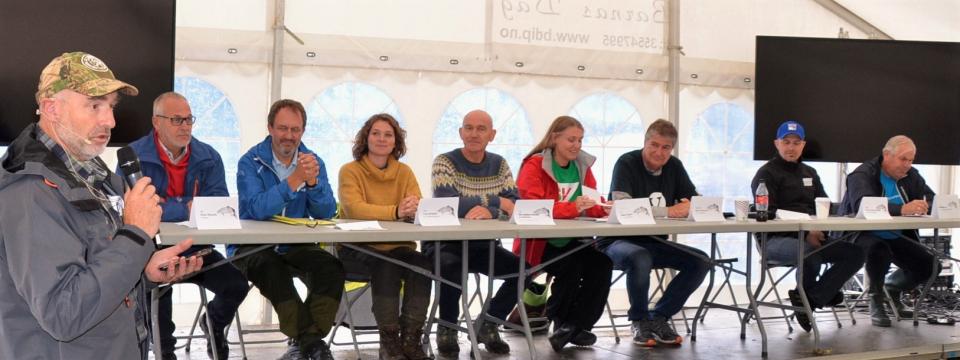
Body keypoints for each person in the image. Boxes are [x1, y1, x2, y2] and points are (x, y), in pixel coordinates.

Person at [0, 51, 201, 360]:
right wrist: (134, 236)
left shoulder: (91, 175)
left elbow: (96, 271)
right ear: (52, 108)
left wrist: (143, 271)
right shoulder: (31, 192)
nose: (110, 120)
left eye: (111, 106)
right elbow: (63, 313)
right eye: (94, 106)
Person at [127, 92, 249, 360]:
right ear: (156, 122)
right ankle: (165, 353)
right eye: (176, 120)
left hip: (197, 249)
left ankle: (214, 324)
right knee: (158, 295)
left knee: (237, 285)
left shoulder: (209, 156)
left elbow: (216, 206)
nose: (185, 126)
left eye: (189, 120)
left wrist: (167, 205)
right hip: (152, 252)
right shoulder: (133, 156)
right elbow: (135, 208)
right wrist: (184, 207)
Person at [235, 99, 343, 360]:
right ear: (270, 128)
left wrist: (314, 182)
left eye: (295, 130)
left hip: (295, 244)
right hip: (252, 247)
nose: (289, 136)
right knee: (273, 269)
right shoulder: (250, 162)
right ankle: (311, 341)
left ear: (303, 131)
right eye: (283, 128)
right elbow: (255, 208)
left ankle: (307, 338)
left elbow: (326, 212)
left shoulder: (313, 162)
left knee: (332, 268)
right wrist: (293, 182)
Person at [599, 119, 710, 346]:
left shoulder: (675, 167)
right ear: (645, 142)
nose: (659, 152)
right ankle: (639, 320)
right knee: (640, 257)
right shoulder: (626, 163)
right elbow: (624, 207)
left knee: (701, 261)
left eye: (666, 147)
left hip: (654, 242)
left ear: (672, 149)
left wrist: (692, 205)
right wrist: (669, 210)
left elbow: (695, 201)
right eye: (654, 145)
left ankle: (659, 317)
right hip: (616, 241)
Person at [423, 110, 526, 355]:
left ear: (492, 134)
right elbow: (447, 203)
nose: (474, 134)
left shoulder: (499, 164)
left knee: (523, 271)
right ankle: (447, 327)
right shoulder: (444, 162)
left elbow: (514, 205)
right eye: (468, 128)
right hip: (444, 243)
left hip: (483, 245)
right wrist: (495, 201)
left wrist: (490, 210)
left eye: (481, 129)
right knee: (451, 267)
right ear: (460, 133)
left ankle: (489, 322)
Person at [751, 120, 865, 332]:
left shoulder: (810, 172)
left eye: (796, 142)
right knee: (810, 251)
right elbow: (768, 214)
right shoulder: (766, 174)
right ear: (777, 143)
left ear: (803, 145)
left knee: (856, 253)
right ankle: (822, 295)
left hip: (811, 235)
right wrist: (805, 235)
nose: (791, 147)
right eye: (786, 142)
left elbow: (824, 205)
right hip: (774, 240)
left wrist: (856, 209)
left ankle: (809, 300)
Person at [513, 115, 613, 352]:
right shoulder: (534, 165)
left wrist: (607, 208)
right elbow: (534, 207)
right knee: (571, 268)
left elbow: (592, 201)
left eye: (580, 140)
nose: (576, 145)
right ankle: (562, 324)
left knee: (603, 264)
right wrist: (574, 207)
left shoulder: (583, 166)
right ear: (554, 137)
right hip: (539, 243)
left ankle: (575, 325)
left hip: (573, 241)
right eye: (571, 139)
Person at [338, 113, 432, 360]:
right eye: (376, 133)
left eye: (388, 134)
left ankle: (411, 338)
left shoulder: (405, 172)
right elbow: (354, 209)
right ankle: (389, 341)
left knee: (423, 264)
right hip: (357, 247)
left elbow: (415, 205)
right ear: (365, 138)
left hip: (398, 245)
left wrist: (411, 209)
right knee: (388, 264)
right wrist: (396, 211)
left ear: (395, 141)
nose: (381, 138)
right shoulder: (350, 171)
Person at [838, 135, 939, 327]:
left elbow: (931, 197)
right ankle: (875, 299)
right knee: (879, 250)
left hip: (896, 234)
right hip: (861, 235)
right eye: (903, 159)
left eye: (911, 160)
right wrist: (902, 209)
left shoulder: (912, 175)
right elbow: (864, 205)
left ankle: (891, 289)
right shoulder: (862, 174)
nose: (907, 165)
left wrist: (926, 205)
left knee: (931, 265)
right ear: (886, 155)